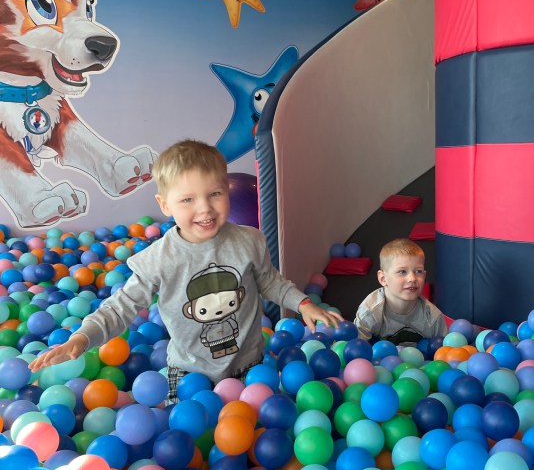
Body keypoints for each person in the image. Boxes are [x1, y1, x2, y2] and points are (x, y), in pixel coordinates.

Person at [29, 139, 342, 398]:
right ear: (165, 205)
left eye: (215, 194)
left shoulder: (249, 241)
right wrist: (82, 338)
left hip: (250, 365)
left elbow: (270, 281)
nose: (204, 208)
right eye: (188, 200)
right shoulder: (159, 259)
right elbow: (121, 307)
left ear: (227, 190)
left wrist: (302, 303)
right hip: (190, 373)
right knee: (187, 436)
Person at [354, 237, 446, 344]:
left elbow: (446, 349)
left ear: (424, 276)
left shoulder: (432, 317)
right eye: (402, 272)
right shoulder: (370, 312)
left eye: (418, 271)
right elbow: (355, 347)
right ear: (383, 279)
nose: (412, 278)